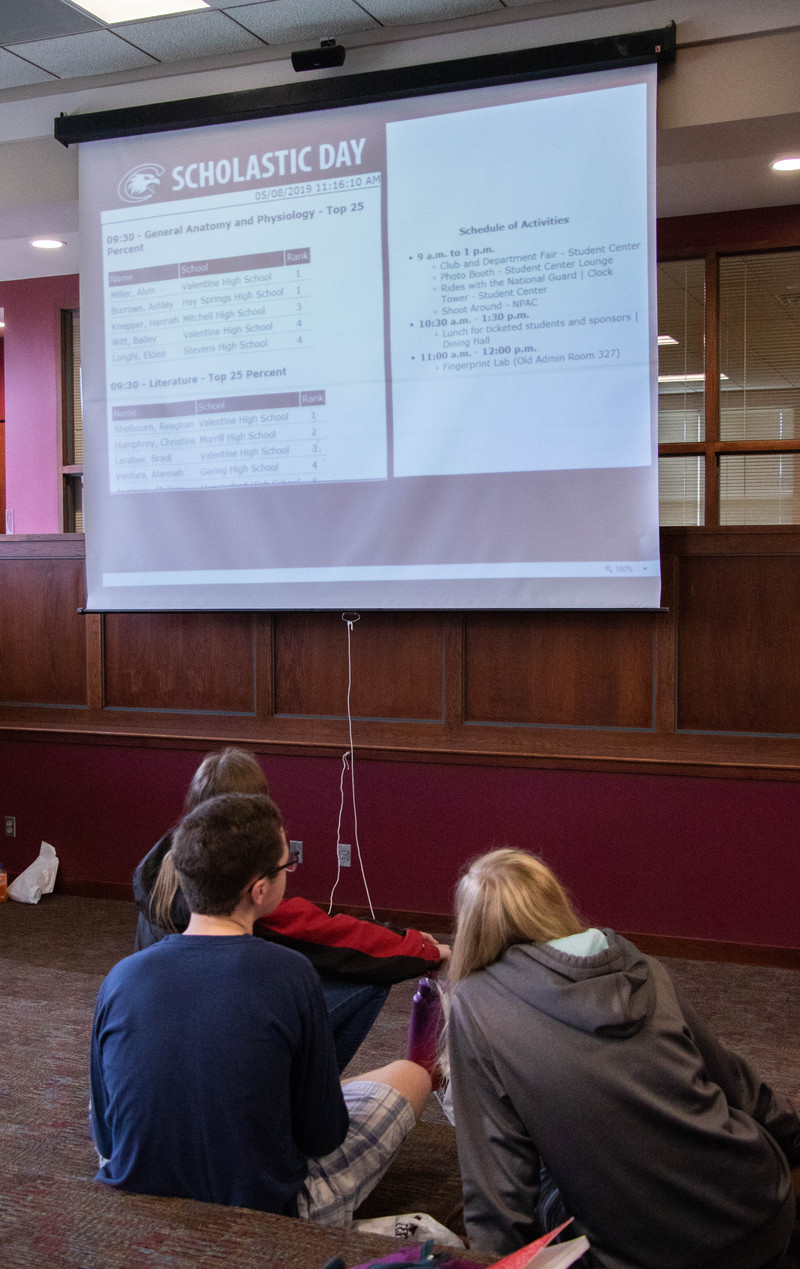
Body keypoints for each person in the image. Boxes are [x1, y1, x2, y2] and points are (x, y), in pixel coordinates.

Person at [445, 849, 800, 1269]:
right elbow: (735, 1084)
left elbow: (496, 1179)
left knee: (541, 1169)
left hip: (648, 1256)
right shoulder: (642, 967)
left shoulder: (475, 1004)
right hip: (760, 1211)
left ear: (470, 928)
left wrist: (495, 1260)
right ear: (554, 902)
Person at [92, 792, 431, 1221]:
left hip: (134, 1199)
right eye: (288, 865)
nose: (291, 872)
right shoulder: (290, 973)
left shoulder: (120, 977)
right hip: (267, 1212)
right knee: (411, 1075)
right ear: (260, 889)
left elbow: (105, 1136)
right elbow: (322, 1136)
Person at [133, 748, 449, 1071]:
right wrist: (421, 948)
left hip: (174, 1038)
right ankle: (310, 1086)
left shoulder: (162, 867)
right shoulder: (243, 899)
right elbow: (334, 936)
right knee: (366, 981)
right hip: (225, 1046)